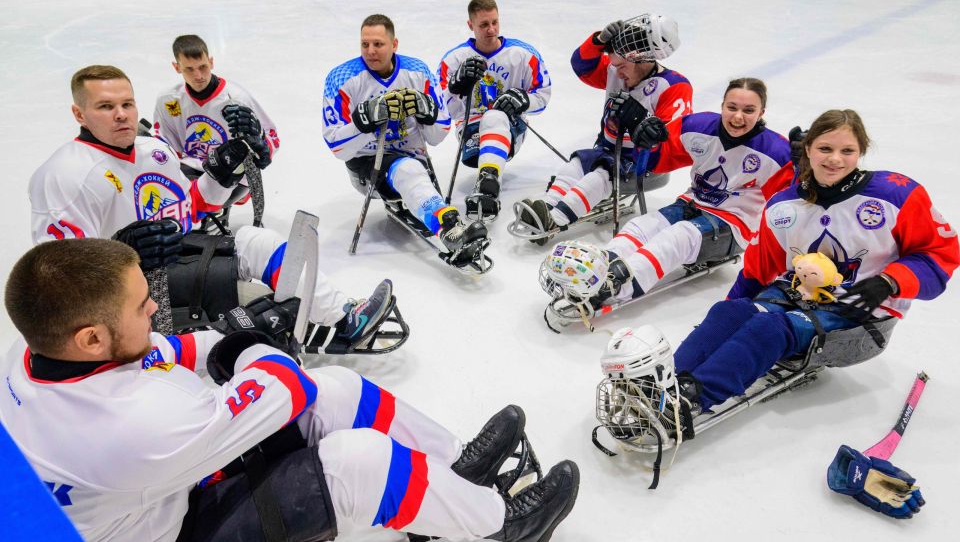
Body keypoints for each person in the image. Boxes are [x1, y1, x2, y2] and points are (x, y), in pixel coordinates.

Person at [0, 238, 581, 542]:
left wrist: (231, 339)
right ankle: (503, 526)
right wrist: (258, 342)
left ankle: (456, 471)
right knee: (361, 462)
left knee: (340, 390)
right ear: (92, 336)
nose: (156, 308)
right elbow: (284, 386)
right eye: (141, 305)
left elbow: (167, 351)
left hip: (145, 495)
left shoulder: (32, 355)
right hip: (170, 528)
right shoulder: (133, 427)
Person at [30, 65, 390, 352]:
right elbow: (57, 276)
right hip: (125, 294)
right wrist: (120, 252)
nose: (121, 115)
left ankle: (344, 317)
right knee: (257, 304)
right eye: (105, 107)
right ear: (79, 113)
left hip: (171, 266)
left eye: (127, 104)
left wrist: (224, 168)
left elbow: (192, 210)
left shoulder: (152, 151)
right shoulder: (64, 175)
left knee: (253, 239)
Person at [669, 109, 957, 426]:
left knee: (769, 329)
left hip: (860, 315)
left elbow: (940, 253)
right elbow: (756, 271)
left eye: (847, 150)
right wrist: (729, 318)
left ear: (861, 151)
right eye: (825, 149)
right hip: (795, 293)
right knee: (731, 313)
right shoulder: (783, 205)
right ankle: (665, 386)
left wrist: (891, 281)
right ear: (808, 149)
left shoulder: (897, 195)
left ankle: (692, 401)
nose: (835, 159)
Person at [542, 78, 794, 313]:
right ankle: (599, 268)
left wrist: (804, 171)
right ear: (722, 106)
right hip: (691, 203)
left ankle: (616, 287)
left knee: (679, 236)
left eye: (749, 110)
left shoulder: (776, 152)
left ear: (761, 113)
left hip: (733, 224)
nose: (738, 116)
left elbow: (788, 207)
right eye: (732, 107)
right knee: (641, 225)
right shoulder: (698, 126)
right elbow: (655, 162)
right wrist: (646, 140)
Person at [323, 14, 490, 264]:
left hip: (415, 159)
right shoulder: (341, 78)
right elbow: (338, 147)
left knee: (410, 170)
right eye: (365, 44)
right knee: (407, 169)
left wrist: (428, 112)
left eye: (378, 44)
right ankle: (450, 228)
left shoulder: (418, 72)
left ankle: (437, 216)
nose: (370, 51)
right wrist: (363, 120)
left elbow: (438, 134)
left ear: (394, 44)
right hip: (366, 165)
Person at [515, 14, 692, 240]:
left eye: (621, 66)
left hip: (643, 164)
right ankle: (545, 206)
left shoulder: (674, 86)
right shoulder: (616, 69)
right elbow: (581, 65)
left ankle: (555, 220)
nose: (616, 72)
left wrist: (638, 119)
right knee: (576, 164)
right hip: (607, 153)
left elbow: (669, 140)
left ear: (642, 60)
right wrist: (597, 41)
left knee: (599, 176)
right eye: (614, 64)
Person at [437, 0, 552, 220]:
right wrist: (456, 85)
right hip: (469, 131)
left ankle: (487, 185)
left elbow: (544, 95)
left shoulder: (523, 55)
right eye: (483, 25)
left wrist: (525, 100)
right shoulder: (453, 60)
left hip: (511, 129)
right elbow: (443, 112)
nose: (491, 30)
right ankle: (488, 182)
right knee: (490, 116)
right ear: (470, 26)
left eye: (494, 22)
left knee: (495, 116)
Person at [154, 35, 280, 227]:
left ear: (211, 62)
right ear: (177, 67)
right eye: (189, 69)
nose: (198, 76)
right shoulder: (168, 100)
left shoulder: (236, 98)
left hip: (232, 174)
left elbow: (272, 138)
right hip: (190, 170)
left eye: (202, 66)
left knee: (222, 171)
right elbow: (162, 146)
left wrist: (260, 141)